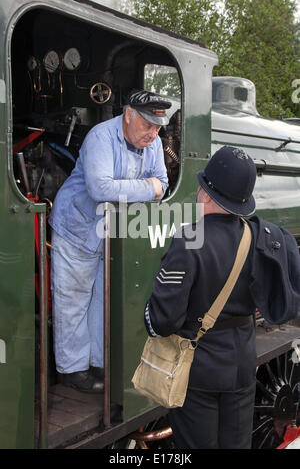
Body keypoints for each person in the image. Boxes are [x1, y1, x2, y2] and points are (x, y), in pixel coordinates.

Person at [143, 145, 300, 449]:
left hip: (197, 370)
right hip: (241, 363)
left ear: (205, 193)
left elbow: (163, 321)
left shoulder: (189, 238)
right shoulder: (259, 237)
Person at [49, 90, 171, 393]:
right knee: (73, 299)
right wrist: (149, 188)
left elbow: (164, 182)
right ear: (128, 115)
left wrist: (148, 187)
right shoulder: (100, 137)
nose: (153, 134)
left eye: (157, 127)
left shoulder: (153, 142)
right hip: (76, 227)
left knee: (103, 299)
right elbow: (101, 188)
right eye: (147, 125)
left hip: (111, 233)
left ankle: (99, 362)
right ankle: (74, 371)